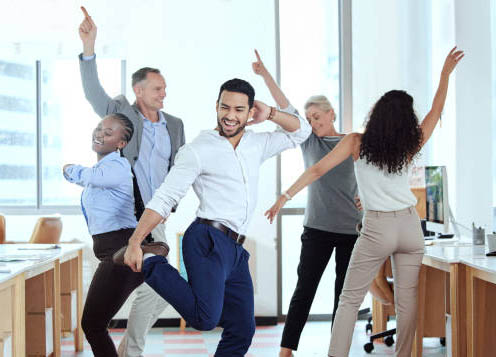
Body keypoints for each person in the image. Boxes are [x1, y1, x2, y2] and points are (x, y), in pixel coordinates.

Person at [265, 47, 464, 356]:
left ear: (377, 115)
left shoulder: (356, 141)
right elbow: (435, 113)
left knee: (348, 299)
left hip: (378, 226)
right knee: (407, 300)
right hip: (410, 225)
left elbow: (317, 169)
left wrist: (284, 195)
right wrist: (444, 75)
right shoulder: (410, 145)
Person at [117, 78, 311, 356]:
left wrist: (270, 113)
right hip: (206, 239)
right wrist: (136, 241)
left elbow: (301, 131)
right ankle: (152, 263)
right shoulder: (197, 150)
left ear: (249, 112)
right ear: (216, 107)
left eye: (239, 110)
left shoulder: (257, 144)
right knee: (205, 318)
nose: (230, 115)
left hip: (234, 249)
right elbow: (165, 196)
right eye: (225, 107)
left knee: (243, 330)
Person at [78, 7, 185, 356]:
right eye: (157, 88)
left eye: (165, 88)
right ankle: (129, 351)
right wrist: (90, 47)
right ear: (139, 91)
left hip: (156, 218)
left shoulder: (174, 124)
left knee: (160, 290)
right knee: (135, 289)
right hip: (127, 220)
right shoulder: (123, 114)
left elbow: (179, 169)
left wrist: (172, 205)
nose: (163, 94)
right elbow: (94, 93)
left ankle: (129, 349)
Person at [251, 50, 361, 357]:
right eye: (309, 118)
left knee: (344, 296)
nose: (312, 122)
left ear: (331, 115)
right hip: (317, 229)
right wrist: (264, 75)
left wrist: (366, 196)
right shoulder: (309, 141)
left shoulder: (351, 141)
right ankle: (286, 351)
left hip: (352, 230)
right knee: (304, 292)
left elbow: (370, 176)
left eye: (317, 117)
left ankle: (338, 350)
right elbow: (286, 107)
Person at [63, 114, 169, 357]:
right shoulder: (104, 168)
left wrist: (68, 169)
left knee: (92, 324)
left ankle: (147, 251)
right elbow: (93, 180)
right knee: (95, 324)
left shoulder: (117, 167)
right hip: (112, 252)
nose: (100, 133)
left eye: (108, 132)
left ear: (121, 143)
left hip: (119, 252)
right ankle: (149, 252)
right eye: (99, 128)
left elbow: (89, 177)